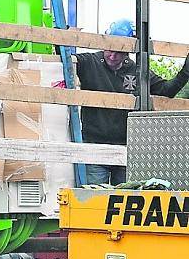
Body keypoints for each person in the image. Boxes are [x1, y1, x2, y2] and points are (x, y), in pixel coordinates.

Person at [76, 18, 189, 185]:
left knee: (123, 199)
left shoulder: (136, 70)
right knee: (96, 198)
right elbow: (65, 64)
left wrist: (186, 71)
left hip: (126, 148)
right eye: (109, 50)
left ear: (128, 50)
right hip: (95, 146)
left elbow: (167, 90)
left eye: (119, 51)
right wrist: (61, 42)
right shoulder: (89, 62)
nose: (112, 56)